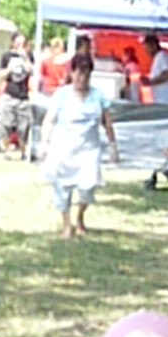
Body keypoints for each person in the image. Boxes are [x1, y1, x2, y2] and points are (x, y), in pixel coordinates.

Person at [41, 50, 119, 239]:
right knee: (62, 188)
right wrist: (44, 143)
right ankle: (67, 223)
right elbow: (49, 120)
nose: (81, 78)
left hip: (88, 149)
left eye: (85, 74)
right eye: (78, 73)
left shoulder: (98, 96)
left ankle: (80, 216)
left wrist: (113, 146)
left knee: (87, 187)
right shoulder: (61, 95)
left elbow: (107, 123)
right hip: (63, 148)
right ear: (72, 73)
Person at [0, 31, 35, 156]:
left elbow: (32, 71)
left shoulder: (28, 55)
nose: (20, 45)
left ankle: (23, 152)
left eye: (23, 43)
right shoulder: (7, 56)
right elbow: (1, 75)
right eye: (18, 43)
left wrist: (25, 58)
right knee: (5, 125)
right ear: (13, 43)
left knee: (23, 127)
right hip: (9, 95)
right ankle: (6, 151)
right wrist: (9, 69)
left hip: (23, 96)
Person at [144, 31, 168, 105]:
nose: (147, 52)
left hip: (167, 100)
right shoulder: (157, 58)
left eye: (147, 48)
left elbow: (167, 74)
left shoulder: (162, 56)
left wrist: (150, 82)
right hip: (161, 100)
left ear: (154, 45)